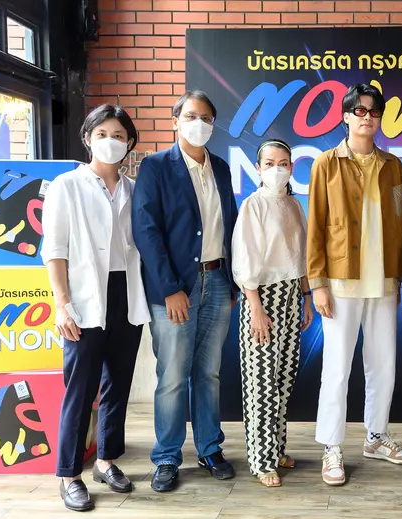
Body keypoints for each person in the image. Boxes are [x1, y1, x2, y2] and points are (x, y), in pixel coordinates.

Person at [41, 104, 150, 512]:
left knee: (117, 385)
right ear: (88, 138)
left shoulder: (134, 189)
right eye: (102, 134)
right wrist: (62, 304)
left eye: (119, 135)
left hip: (126, 294)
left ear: (129, 143)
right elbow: (54, 250)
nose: (111, 141)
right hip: (85, 298)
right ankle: (68, 474)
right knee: (80, 388)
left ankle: (106, 460)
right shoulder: (65, 186)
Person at [132, 90, 239, 492]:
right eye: (192, 116)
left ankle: (210, 448)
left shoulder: (221, 168)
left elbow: (229, 225)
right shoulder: (156, 166)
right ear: (175, 121)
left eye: (207, 118)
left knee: (208, 373)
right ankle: (166, 456)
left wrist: (231, 280)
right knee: (173, 376)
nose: (200, 124)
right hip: (176, 287)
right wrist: (170, 288)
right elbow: (146, 231)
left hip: (218, 281)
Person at [307, 83, 402, 486]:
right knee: (337, 368)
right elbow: (316, 226)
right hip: (340, 281)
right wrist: (317, 283)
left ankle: (376, 435)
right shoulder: (325, 164)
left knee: (383, 364)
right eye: (359, 110)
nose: (367, 117)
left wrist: (399, 276)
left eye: (374, 111)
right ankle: (331, 446)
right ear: (346, 117)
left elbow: (400, 224)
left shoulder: (393, 165)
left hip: (383, 280)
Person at [232, 139, 313, 487]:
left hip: (291, 295)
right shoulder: (253, 205)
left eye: (283, 163)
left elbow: (301, 254)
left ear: (291, 167)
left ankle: (277, 449)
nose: (276, 169)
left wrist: (306, 297)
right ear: (258, 168)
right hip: (262, 296)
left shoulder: (293, 204)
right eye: (269, 163)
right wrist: (255, 307)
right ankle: (261, 460)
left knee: (283, 378)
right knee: (261, 382)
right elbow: (245, 258)